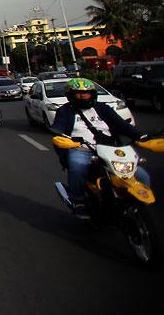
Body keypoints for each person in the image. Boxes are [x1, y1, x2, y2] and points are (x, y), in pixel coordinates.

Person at [51, 78, 151, 216]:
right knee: (77, 167)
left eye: (86, 93)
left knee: (141, 175)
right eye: (78, 93)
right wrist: (63, 138)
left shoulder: (103, 108)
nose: (83, 96)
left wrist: (142, 137)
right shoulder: (64, 111)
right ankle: (78, 200)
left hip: (110, 150)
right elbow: (58, 129)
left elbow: (122, 125)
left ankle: (140, 208)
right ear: (70, 95)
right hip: (82, 149)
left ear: (92, 94)